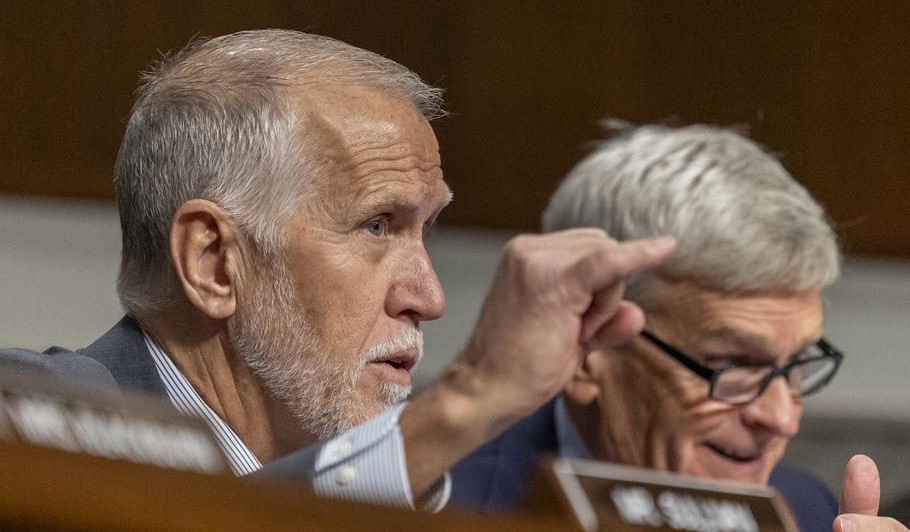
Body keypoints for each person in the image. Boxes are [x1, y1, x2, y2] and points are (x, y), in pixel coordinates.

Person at [0, 30, 676, 511]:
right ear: (214, 263)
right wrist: (467, 398)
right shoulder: (29, 422)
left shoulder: (423, 487)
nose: (430, 297)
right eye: (377, 226)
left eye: (424, 231)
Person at [450, 124, 902, 532]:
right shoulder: (436, 506)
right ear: (587, 349)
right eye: (734, 364)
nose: (782, 418)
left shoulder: (810, 515)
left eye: (798, 364)